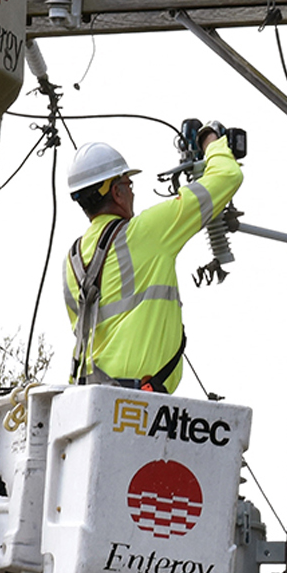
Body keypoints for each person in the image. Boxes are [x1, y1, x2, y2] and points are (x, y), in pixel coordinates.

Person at [60, 130, 244, 391]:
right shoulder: (145, 232)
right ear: (116, 192)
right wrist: (211, 141)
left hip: (89, 398)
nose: (132, 193)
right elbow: (227, 176)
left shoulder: (72, 260)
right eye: (128, 185)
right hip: (138, 401)